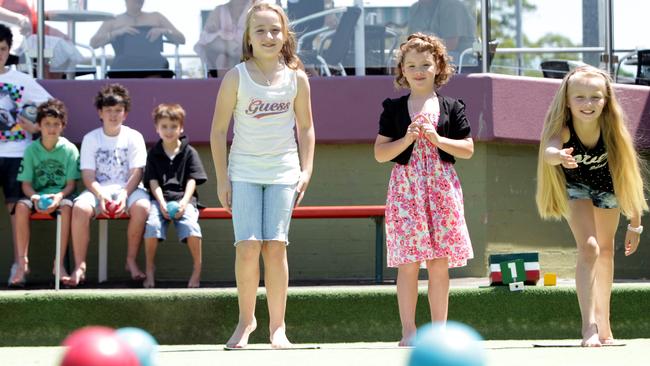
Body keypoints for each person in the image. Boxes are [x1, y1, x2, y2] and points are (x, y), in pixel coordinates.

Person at [209, 2, 314, 349]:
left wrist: (306, 168)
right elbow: (218, 130)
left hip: (284, 171)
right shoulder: (236, 76)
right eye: (260, 30)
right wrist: (223, 180)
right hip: (244, 172)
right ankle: (246, 320)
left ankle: (278, 327)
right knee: (248, 247)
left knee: (275, 247)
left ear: (285, 36)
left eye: (275, 30)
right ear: (248, 38)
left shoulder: (297, 77)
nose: (268, 36)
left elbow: (307, 127)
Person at [374, 33, 474, 347]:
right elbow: (380, 153)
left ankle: (439, 333)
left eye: (426, 64)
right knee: (408, 264)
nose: (419, 70)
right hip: (407, 193)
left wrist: (437, 140)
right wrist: (406, 139)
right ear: (401, 70)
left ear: (438, 66)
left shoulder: (452, 106)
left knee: (438, 264)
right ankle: (409, 331)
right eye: (412, 65)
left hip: (441, 190)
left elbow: (468, 148)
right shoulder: (393, 108)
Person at [536, 66, 647, 347]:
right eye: (580, 97)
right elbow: (548, 150)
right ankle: (589, 327)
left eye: (595, 97)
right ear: (568, 101)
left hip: (608, 188)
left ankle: (605, 326)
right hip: (576, 188)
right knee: (589, 247)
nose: (588, 104)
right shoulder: (564, 130)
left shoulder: (612, 132)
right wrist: (558, 155)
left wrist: (635, 223)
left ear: (606, 99)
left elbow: (628, 178)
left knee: (606, 250)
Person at [69, 83, 150, 287]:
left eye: (118, 111)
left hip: (129, 189)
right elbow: (88, 175)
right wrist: (101, 195)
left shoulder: (134, 137)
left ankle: (130, 260)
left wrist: (123, 194)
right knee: (79, 208)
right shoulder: (91, 138)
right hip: (97, 190)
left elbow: (137, 172)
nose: (113, 115)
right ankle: (80, 265)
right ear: (100, 112)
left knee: (142, 207)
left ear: (125, 113)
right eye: (108, 110)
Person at [0, 23, 52, 286]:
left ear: (9, 51)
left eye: (2, 49)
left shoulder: (22, 81)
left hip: (17, 154)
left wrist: (37, 127)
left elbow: (54, 108)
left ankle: (20, 266)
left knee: (17, 209)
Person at [11, 99, 80, 287]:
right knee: (20, 208)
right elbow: (25, 184)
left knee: (66, 208)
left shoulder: (69, 150)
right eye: (47, 124)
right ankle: (22, 262)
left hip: (60, 196)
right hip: (36, 196)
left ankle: (58, 264)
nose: (51, 128)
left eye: (56, 124)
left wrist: (58, 197)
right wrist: (33, 197)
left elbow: (71, 185)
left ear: (63, 126)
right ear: (39, 125)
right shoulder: (31, 150)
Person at [143, 103, 207, 289]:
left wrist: (184, 203)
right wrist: (162, 203)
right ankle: (149, 268)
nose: (169, 131)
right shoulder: (154, 153)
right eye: (164, 126)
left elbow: (192, 180)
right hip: (160, 200)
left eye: (173, 126)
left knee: (191, 226)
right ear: (157, 128)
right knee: (152, 225)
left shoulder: (189, 152)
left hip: (184, 200)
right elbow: (153, 181)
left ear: (181, 127)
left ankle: (197, 268)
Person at [89, 0, 185, 77]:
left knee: (162, 64)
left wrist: (164, 31)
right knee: (120, 66)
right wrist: (116, 33)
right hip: (124, 64)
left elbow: (182, 39)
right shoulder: (113, 20)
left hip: (154, 63)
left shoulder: (156, 17)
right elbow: (94, 43)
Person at [194, 0, 256, 77]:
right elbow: (205, 40)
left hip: (249, 57)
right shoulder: (219, 10)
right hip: (222, 58)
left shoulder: (258, 9)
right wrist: (227, 46)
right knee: (221, 57)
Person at [407, 0, 475, 63]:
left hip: (460, 64)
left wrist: (425, 42)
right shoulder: (415, 9)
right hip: (425, 60)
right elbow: (410, 42)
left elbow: (451, 45)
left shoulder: (451, 5)